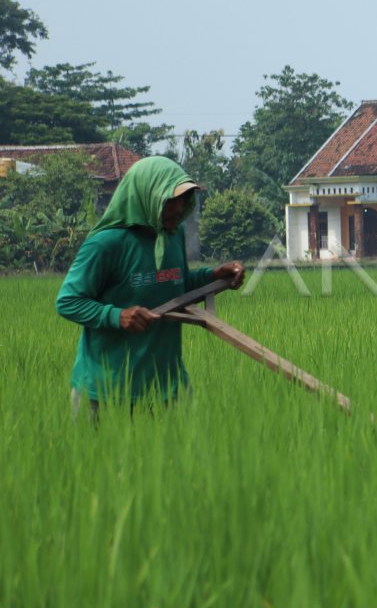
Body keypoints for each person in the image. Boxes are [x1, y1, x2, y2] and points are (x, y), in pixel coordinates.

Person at [56, 156, 246, 418]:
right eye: (170, 200)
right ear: (146, 196)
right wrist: (118, 316)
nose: (178, 209)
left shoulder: (172, 234)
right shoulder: (106, 244)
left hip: (166, 386)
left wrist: (214, 276)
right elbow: (68, 301)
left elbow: (173, 285)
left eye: (183, 199)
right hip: (107, 389)